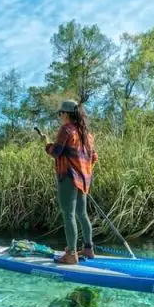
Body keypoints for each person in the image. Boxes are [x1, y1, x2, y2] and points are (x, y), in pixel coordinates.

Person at [41, 100, 98, 264]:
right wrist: (84, 171)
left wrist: (46, 144)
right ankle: (88, 249)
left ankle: (71, 254)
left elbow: (56, 152)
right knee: (82, 214)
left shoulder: (66, 129)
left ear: (66, 113)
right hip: (84, 180)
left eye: (60, 113)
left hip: (68, 178)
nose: (60, 117)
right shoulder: (88, 135)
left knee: (69, 215)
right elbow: (94, 158)